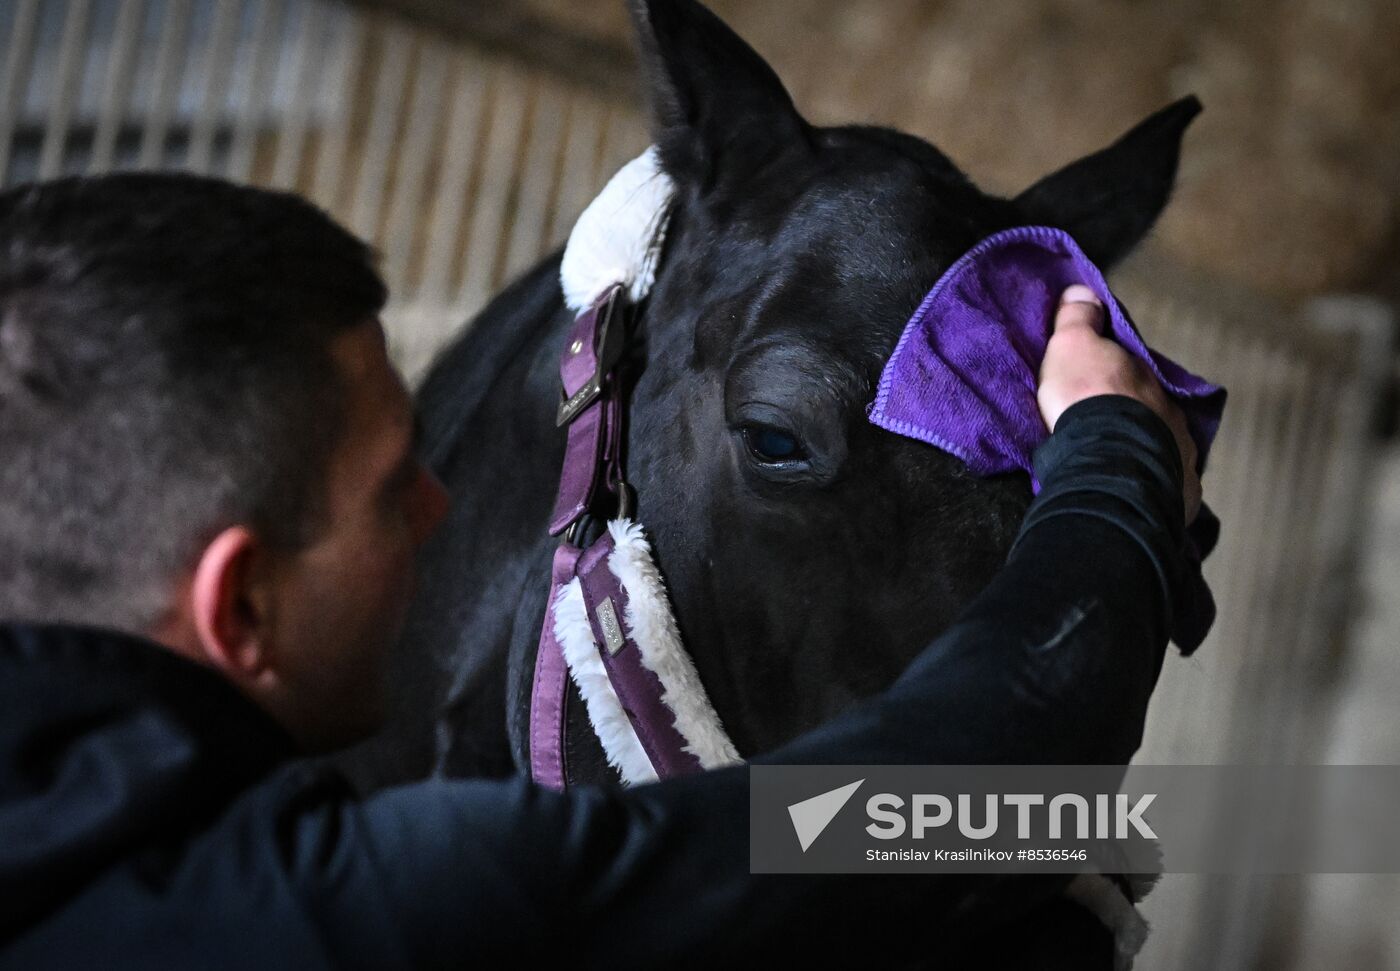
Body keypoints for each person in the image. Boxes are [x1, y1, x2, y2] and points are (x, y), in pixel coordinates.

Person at [0, 173, 1203, 968]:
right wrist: (1114, 459)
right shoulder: (335, 919)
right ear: (241, 604)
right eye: (390, 487)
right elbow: (960, 786)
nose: (440, 500)